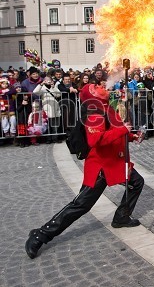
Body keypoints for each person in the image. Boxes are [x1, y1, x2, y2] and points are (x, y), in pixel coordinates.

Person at [25, 83, 145, 259]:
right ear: (91, 94)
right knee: (81, 205)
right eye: (96, 86)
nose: (102, 85)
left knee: (136, 182)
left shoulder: (106, 107)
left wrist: (132, 136)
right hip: (102, 166)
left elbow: (116, 129)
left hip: (116, 161)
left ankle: (121, 216)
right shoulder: (94, 111)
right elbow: (96, 140)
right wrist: (123, 130)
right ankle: (40, 235)